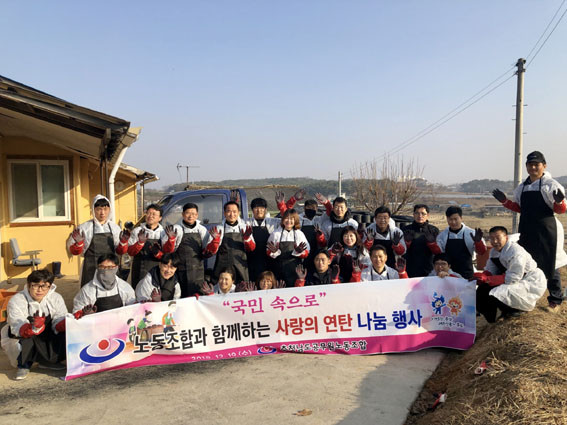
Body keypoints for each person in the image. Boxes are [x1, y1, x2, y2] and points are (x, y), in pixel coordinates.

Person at [492, 151, 567, 312]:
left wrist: (559, 202)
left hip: (547, 229)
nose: (533, 168)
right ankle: (524, 298)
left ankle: (555, 300)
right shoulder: (522, 187)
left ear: (544, 166)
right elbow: (520, 208)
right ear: (526, 166)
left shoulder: (551, 185)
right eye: (530, 165)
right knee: (526, 262)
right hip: (527, 228)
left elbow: (560, 210)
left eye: (536, 165)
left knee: (550, 262)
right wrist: (505, 202)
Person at [1, 270, 67, 380]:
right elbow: (16, 324)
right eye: (35, 285)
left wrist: (66, 323)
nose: (39, 290)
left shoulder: (56, 298)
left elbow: (60, 317)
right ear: (28, 285)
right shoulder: (17, 300)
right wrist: (33, 327)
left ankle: (47, 361)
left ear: (50, 286)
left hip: (46, 334)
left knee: (65, 333)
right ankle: (24, 365)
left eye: (44, 286)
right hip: (26, 334)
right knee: (25, 338)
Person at [474, 226, 547, 323]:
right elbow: (491, 269)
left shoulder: (516, 252)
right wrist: (483, 276)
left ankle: (513, 311)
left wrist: (488, 279)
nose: (494, 241)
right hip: (508, 277)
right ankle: (491, 320)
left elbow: (513, 277)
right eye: (491, 238)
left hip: (527, 280)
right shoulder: (494, 252)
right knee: (482, 290)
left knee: (498, 292)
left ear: (506, 237)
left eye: (498, 238)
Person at [67, 194, 125, 286]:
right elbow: (73, 251)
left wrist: (123, 242)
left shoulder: (115, 228)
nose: (102, 213)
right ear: (93, 210)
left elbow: (120, 251)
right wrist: (79, 244)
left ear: (109, 210)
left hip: (110, 267)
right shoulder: (84, 228)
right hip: (90, 268)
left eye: (105, 209)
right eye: (99, 209)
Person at [162, 202, 210, 297]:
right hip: (180, 268)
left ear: (197, 215)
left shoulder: (202, 229)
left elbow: (206, 248)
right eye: (188, 213)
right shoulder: (176, 228)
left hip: (197, 270)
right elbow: (168, 250)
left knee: (197, 295)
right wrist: (171, 239)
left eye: (193, 214)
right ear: (183, 214)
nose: (190, 216)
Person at [205, 201, 256, 284]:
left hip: (240, 266)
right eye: (229, 211)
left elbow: (251, 249)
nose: (232, 214)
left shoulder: (245, 228)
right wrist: (215, 241)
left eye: (234, 211)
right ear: (224, 213)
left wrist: (247, 239)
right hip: (222, 267)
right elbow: (210, 251)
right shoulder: (218, 229)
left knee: (242, 288)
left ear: (238, 213)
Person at [429, 206, 486, 279]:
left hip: (467, 273)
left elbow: (481, 252)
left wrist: (478, 243)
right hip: (449, 274)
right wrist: (431, 244)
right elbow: (439, 254)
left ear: (461, 218)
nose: (453, 222)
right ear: (447, 219)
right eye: (450, 219)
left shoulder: (472, 234)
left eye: (456, 219)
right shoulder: (442, 236)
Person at [122, 204, 169, 289]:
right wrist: (139, 243)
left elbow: (167, 255)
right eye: (148, 213)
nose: (150, 216)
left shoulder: (163, 233)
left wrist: (158, 253)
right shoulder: (137, 231)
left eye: (154, 214)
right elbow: (130, 252)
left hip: (157, 269)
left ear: (160, 218)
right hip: (139, 268)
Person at [277, 191, 322, 274]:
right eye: (309, 207)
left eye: (313, 208)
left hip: (316, 253)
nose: (311, 210)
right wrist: (292, 200)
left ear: (317, 209)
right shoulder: (298, 219)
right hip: (300, 252)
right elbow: (287, 213)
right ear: (304, 208)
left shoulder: (319, 219)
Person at [246, 196, 286, 282]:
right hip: (252, 260)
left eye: (262, 208)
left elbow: (287, 218)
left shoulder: (273, 222)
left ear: (266, 210)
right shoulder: (246, 222)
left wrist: (281, 205)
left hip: (270, 260)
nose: (259, 210)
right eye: (256, 208)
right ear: (252, 210)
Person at [267, 209, 310, 287]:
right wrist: (274, 252)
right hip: (278, 269)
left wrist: (299, 252)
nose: (289, 221)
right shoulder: (275, 234)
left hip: (295, 269)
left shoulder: (299, 234)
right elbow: (268, 250)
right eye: (286, 218)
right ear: (283, 219)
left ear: (295, 220)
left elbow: (307, 251)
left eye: (292, 219)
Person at [402, 204, 440, 277]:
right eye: (417, 213)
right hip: (410, 269)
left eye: (423, 213)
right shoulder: (406, 230)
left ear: (427, 215)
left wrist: (432, 244)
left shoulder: (433, 230)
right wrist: (407, 243)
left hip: (429, 269)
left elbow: (439, 252)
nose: (420, 216)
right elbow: (400, 252)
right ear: (413, 214)